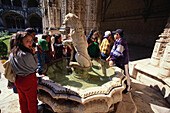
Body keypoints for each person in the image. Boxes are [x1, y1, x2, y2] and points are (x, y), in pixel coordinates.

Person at [9, 31, 38, 113]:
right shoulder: (27, 54)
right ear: (21, 42)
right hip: (29, 80)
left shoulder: (12, 53)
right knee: (32, 101)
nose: (31, 43)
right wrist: (34, 54)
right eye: (27, 41)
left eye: (31, 40)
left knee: (23, 100)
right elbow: (35, 67)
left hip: (18, 80)